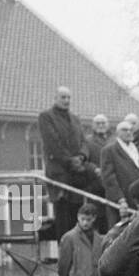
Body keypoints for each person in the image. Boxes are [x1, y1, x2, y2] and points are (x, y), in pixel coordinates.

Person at [37, 86, 87, 239]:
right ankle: (65, 254)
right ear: (55, 98)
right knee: (63, 217)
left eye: (68, 97)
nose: (66, 100)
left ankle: (77, 254)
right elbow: (53, 143)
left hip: (76, 175)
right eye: (63, 97)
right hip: (59, 174)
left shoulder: (76, 119)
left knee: (77, 215)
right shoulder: (46, 117)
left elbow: (83, 141)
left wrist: (81, 157)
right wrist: (70, 160)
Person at [100, 120, 139, 228]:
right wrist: (120, 199)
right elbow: (108, 178)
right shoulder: (109, 150)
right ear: (117, 133)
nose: (128, 132)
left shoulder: (135, 149)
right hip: (121, 202)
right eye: (124, 130)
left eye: (131, 130)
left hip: (136, 201)